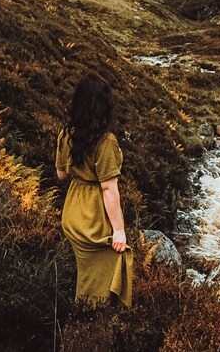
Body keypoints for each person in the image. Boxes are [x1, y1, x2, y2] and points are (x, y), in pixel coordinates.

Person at [56, 72, 133, 308]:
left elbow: (61, 175)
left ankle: (84, 310)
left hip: (72, 212)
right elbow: (109, 188)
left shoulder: (66, 134)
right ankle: (91, 318)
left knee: (86, 269)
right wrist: (119, 230)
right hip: (92, 216)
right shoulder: (106, 141)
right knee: (120, 258)